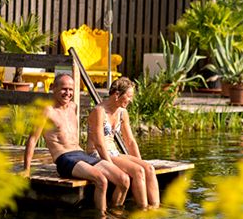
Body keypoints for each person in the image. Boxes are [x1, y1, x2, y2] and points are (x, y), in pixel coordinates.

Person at [24, 73, 129, 211]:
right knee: (101, 180)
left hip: (81, 154)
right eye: (64, 89)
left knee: (124, 180)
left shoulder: (73, 107)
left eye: (71, 89)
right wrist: (27, 169)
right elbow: (32, 140)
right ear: (53, 88)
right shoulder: (47, 111)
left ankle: (115, 214)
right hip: (64, 158)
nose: (68, 93)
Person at [87, 77, 160, 209]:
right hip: (97, 154)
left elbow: (130, 141)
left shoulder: (122, 112)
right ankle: (142, 211)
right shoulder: (99, 111)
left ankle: (155, 208)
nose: (131, 100)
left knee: (148, 168)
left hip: (114, 153)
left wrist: (140, 161)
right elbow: (98, 143)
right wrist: (109, 165)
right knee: (138, 171)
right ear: (116, 94)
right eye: (129, 96)